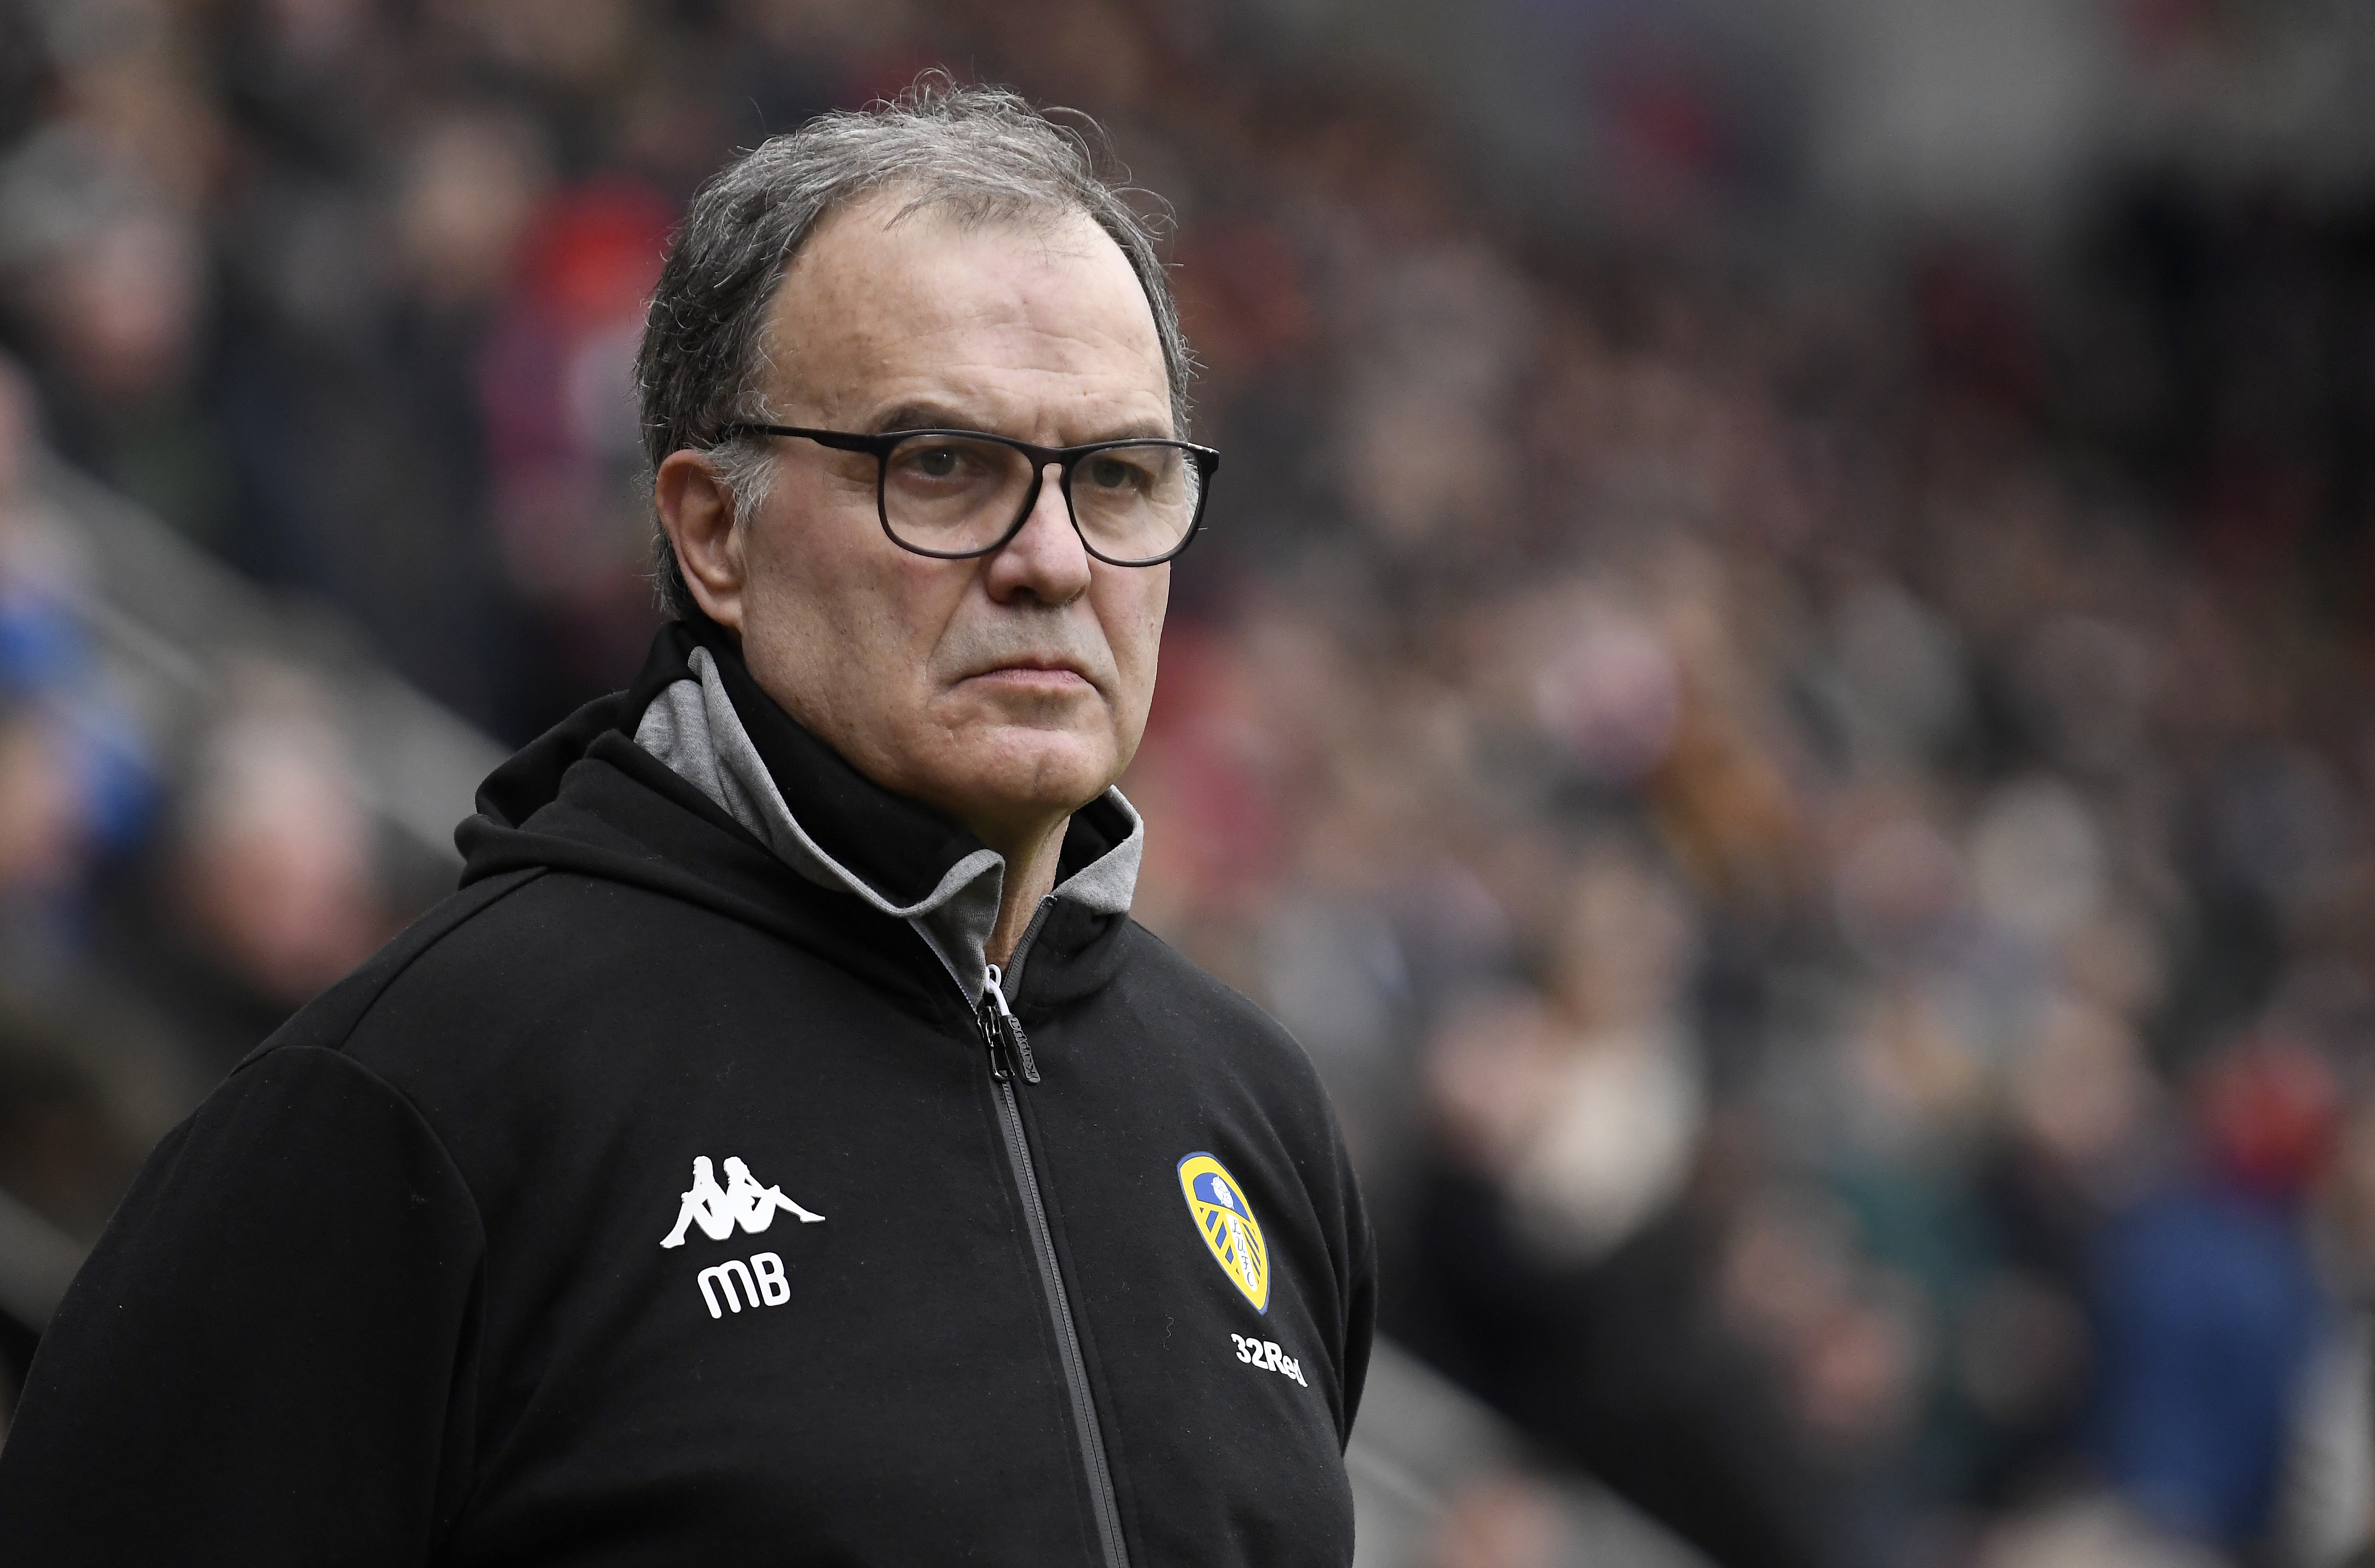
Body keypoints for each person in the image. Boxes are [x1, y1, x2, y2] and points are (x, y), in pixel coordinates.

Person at [0, 83, 1375, 1565]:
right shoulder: (420, 1096)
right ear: (716, 532)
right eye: (942, 466)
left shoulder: (1256, 1118)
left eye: (1116, 477)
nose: (1053, 558)